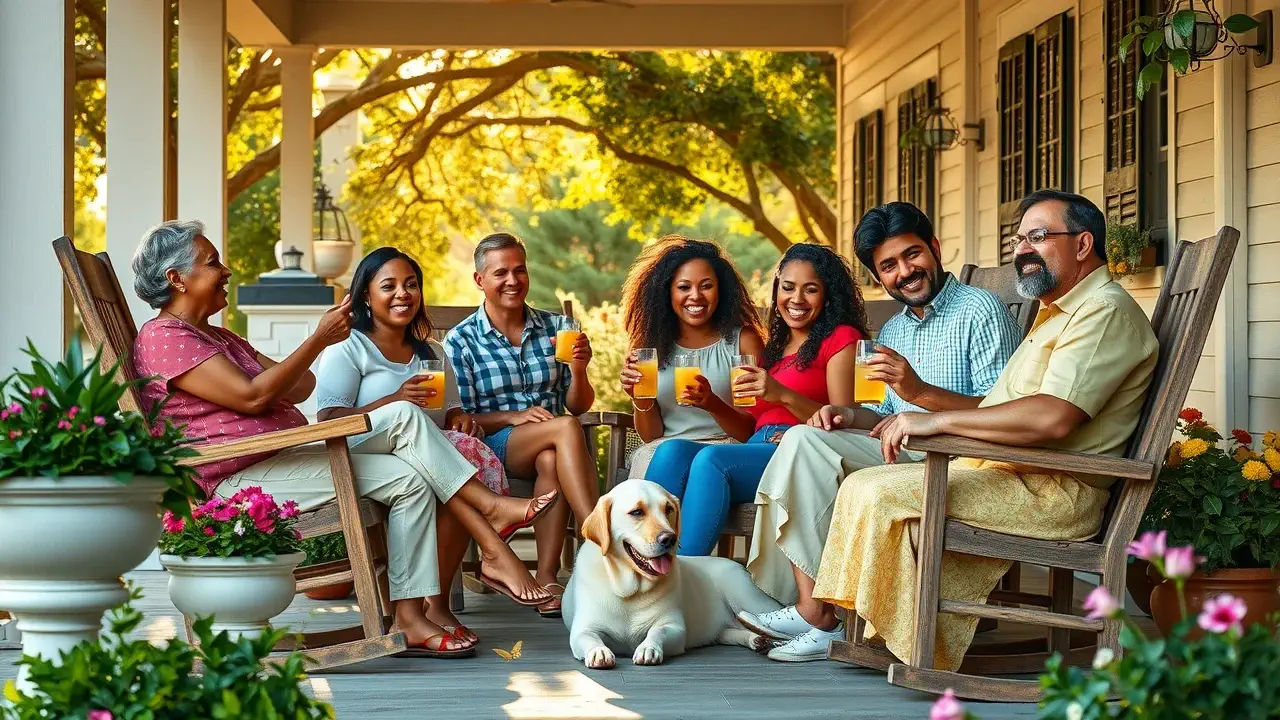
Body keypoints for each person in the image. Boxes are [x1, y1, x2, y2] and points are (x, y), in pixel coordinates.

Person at [130, 221, 557, 660]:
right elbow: (254, 396)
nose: (226, 269)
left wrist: (289, 362)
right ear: (176, 278)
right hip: (238, 477)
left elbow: (297, 388)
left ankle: (409, 615)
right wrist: (317, 340)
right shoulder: (165, 337)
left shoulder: (218, 337)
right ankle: (489, 518)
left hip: (283, 457)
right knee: (405, 414)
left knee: (412, 478)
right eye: (212, 261)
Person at [801, 190, 1159, 671]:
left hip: (1053, 491)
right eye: (1020, 239)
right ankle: (879, 629)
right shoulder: (1061, 312)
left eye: (1039, 237)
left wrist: (933, 418)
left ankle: (908, 643)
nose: (1023, 250)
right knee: (865, 484)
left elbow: (1053, 417)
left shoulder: (1103, 312)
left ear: (1082, 244)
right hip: (1013, 472)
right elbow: (1005, 408)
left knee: (877, 492)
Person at [741, 202, 1022, 662]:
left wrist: (920, 392)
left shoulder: (980, 311)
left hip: (959, 459)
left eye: (912, 255)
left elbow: (1004, 412)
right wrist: (846, 416)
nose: (905, 272)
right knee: (802, 439)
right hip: (903, 453)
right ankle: (818, 610)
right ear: (878, 276)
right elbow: (884, 415)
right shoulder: (894, 329)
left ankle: (818, 613)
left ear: (934, 247)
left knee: (810, 449)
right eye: (888, 265)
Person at [314, 247, 529, 647]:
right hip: (361, 456)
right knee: (442, 459)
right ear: (366, 295)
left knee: (458, 452)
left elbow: (450, 414)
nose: (403, 294)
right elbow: (327, 424)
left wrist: (459, 419)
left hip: (420, 461)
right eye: (389, 286)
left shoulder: (432, 352)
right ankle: (492, 529)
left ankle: (435, 606)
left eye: (411, 285)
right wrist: (394, 398)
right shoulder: (349, 347)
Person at [644, 243, 865, 557]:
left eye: (811, 290)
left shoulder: (841, 338)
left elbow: (844, 422)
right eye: (787, 288)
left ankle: (683, 572)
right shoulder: (777, 347)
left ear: (828, 295)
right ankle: (638, 559)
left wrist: (783, 395)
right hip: (758, 447)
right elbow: (749, 429)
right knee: (673, 450)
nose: (797, 300)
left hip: (803, 455)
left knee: (711, 461)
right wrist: (712, 403)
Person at [443, 232, 600, 618]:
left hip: (553, 447)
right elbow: (457, 415)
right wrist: (512, 417)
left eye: (520, 270)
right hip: (493, 445)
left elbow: (577, 404)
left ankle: (546, 578)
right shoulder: (461, 340)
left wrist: (579, 370)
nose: (512, 280)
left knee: (551, 456)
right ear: (480, 280)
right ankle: (598, 532)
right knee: (564, 430)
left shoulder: (556, 328)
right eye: (500, 273)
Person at [617, 235, 765, 479]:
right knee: (664, 455)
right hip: (664, 448)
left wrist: (712, 404)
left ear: (721, 290)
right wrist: (639, 399)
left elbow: (751, 430)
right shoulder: (648, 348)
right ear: (668, 292)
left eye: (706, 286)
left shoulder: (742, 341)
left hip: (725, 450)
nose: (695, 296)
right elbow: (651, 436)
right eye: (684, 287)